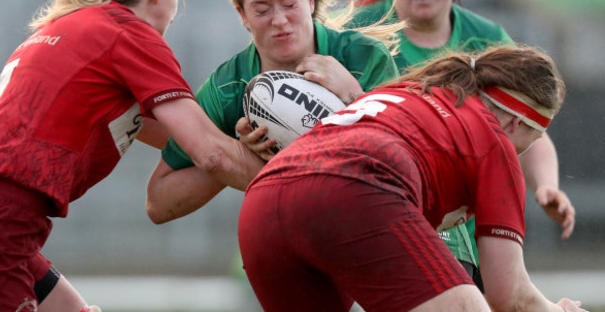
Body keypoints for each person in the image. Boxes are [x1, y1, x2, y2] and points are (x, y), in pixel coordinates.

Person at [0, 0, 264, 312]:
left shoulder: (68, 28)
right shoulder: (129, 33)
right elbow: (211, 155)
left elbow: (182, 141)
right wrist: (295, 177)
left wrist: (237, 140)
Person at [238, 44, 585, 312]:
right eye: (533, 139)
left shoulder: (407, 93)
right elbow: (510, 296)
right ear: (516, 123)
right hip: (354, 188)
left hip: (262, 205)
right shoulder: (494, 139)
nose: (522, 152)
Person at [347, 0, 575, 287]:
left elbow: (528, 125)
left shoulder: (487, 41)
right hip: (375, 219)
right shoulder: (356, 33)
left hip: (460, 237)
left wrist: (547, 185)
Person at [146, 0, 401, 224]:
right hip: (291, 232)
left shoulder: (363, 57)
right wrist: (236, 156)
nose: (279, 20)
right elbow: (159, 202)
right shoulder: (229, 89)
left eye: (289, 3)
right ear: (243, 15)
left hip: (368, 223)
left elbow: (404, 161)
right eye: (262, 9)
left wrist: (354, 98)